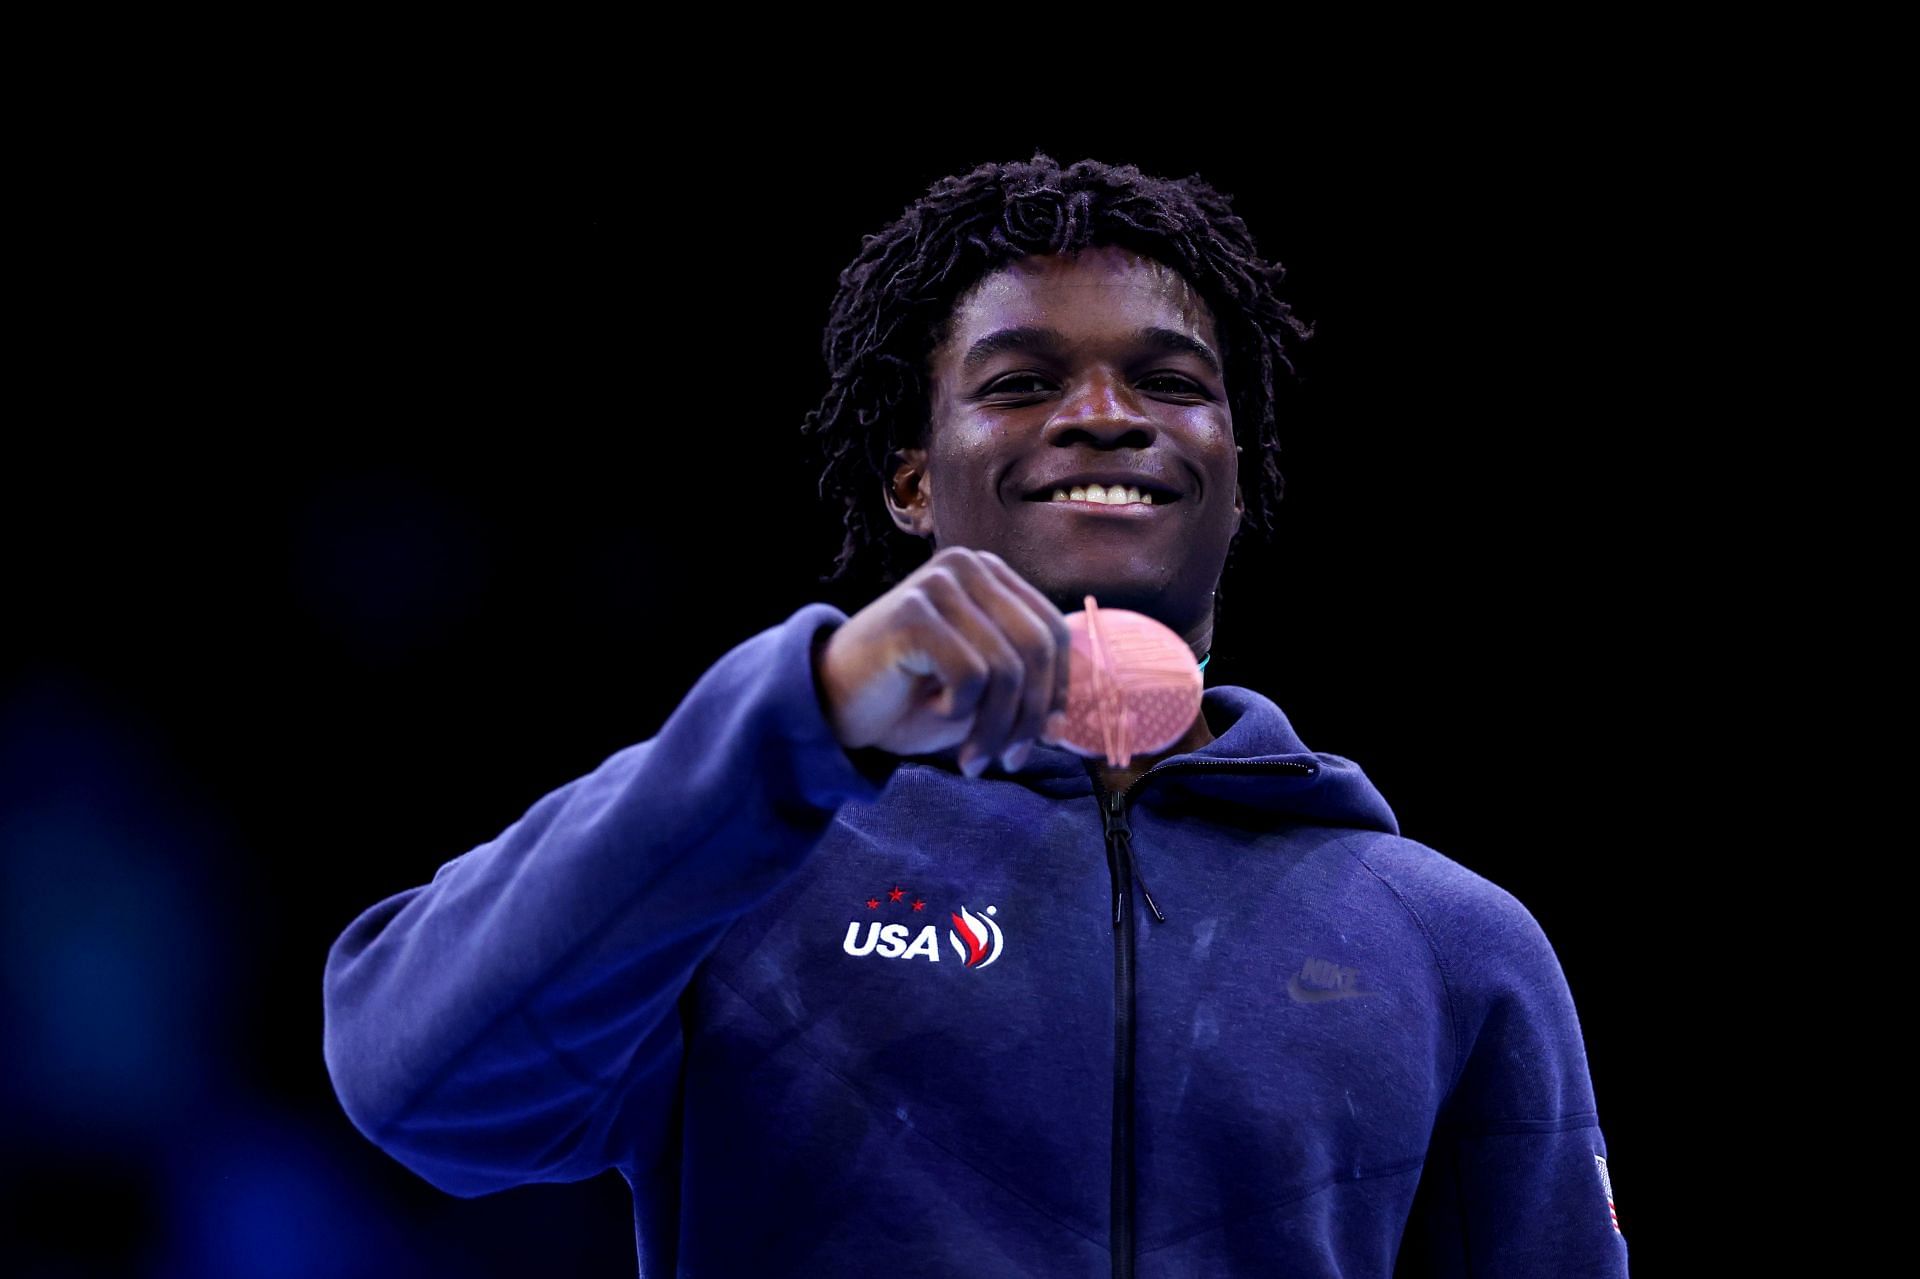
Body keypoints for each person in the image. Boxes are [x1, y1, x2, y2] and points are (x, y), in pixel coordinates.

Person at [322, 153, 1629, 1278]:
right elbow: (421, 1092)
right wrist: (811, 712)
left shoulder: (1454, 943)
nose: (1106, 417)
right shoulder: (739, 847)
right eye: (1020, 383)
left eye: (1169, 383)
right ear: (910, 484)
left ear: (1239, 479)